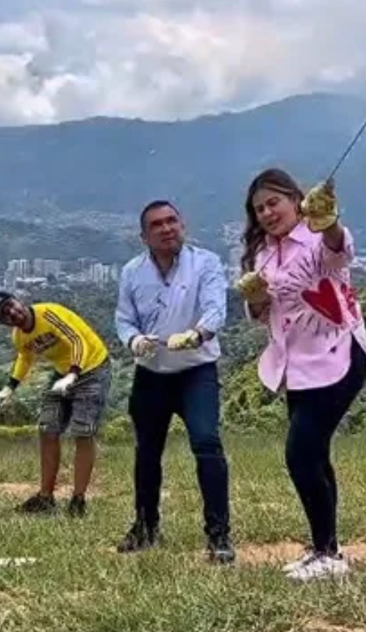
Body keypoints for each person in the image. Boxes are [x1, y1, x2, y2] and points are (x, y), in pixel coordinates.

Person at [236, 169, 366, 582]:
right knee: (315, 455)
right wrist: (257, 298)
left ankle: (326, 553)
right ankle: (327, 549)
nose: (266, 213)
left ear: (294, 199)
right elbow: (264, 313)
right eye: (258, 208)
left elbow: (341, 250)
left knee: (300, 453)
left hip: (338, 354)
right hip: (295, 365)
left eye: (273, 203)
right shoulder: (264, 253)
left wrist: (329, 221)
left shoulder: (317, 238)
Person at [113, 199, 234, 564]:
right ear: (143, 236)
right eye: (157, 225)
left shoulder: (206, 263)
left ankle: (219, 536)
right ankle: (146, 527)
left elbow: (216, 307)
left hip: (197, 370)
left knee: (207, 442)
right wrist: (133, 340)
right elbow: (124, 318)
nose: (167, 229)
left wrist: (199, 333)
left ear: (182, 224)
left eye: (172, 221)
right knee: (147, 452)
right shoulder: (132, 272)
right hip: (151, 373)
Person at [0, 291, 112, 518]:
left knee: (83, 432)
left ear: (19, 300)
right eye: (5, 314)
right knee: (47, 428)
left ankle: (78, 500)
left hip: (92, 367)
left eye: (11, 305)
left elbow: (77, 340)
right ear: (3, 322)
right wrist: (10, 387)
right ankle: (45, 498)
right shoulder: (19, 336)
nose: (12, 313)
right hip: (63, 373)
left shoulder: (49, 313)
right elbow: (25, 357)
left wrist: (74, 374)